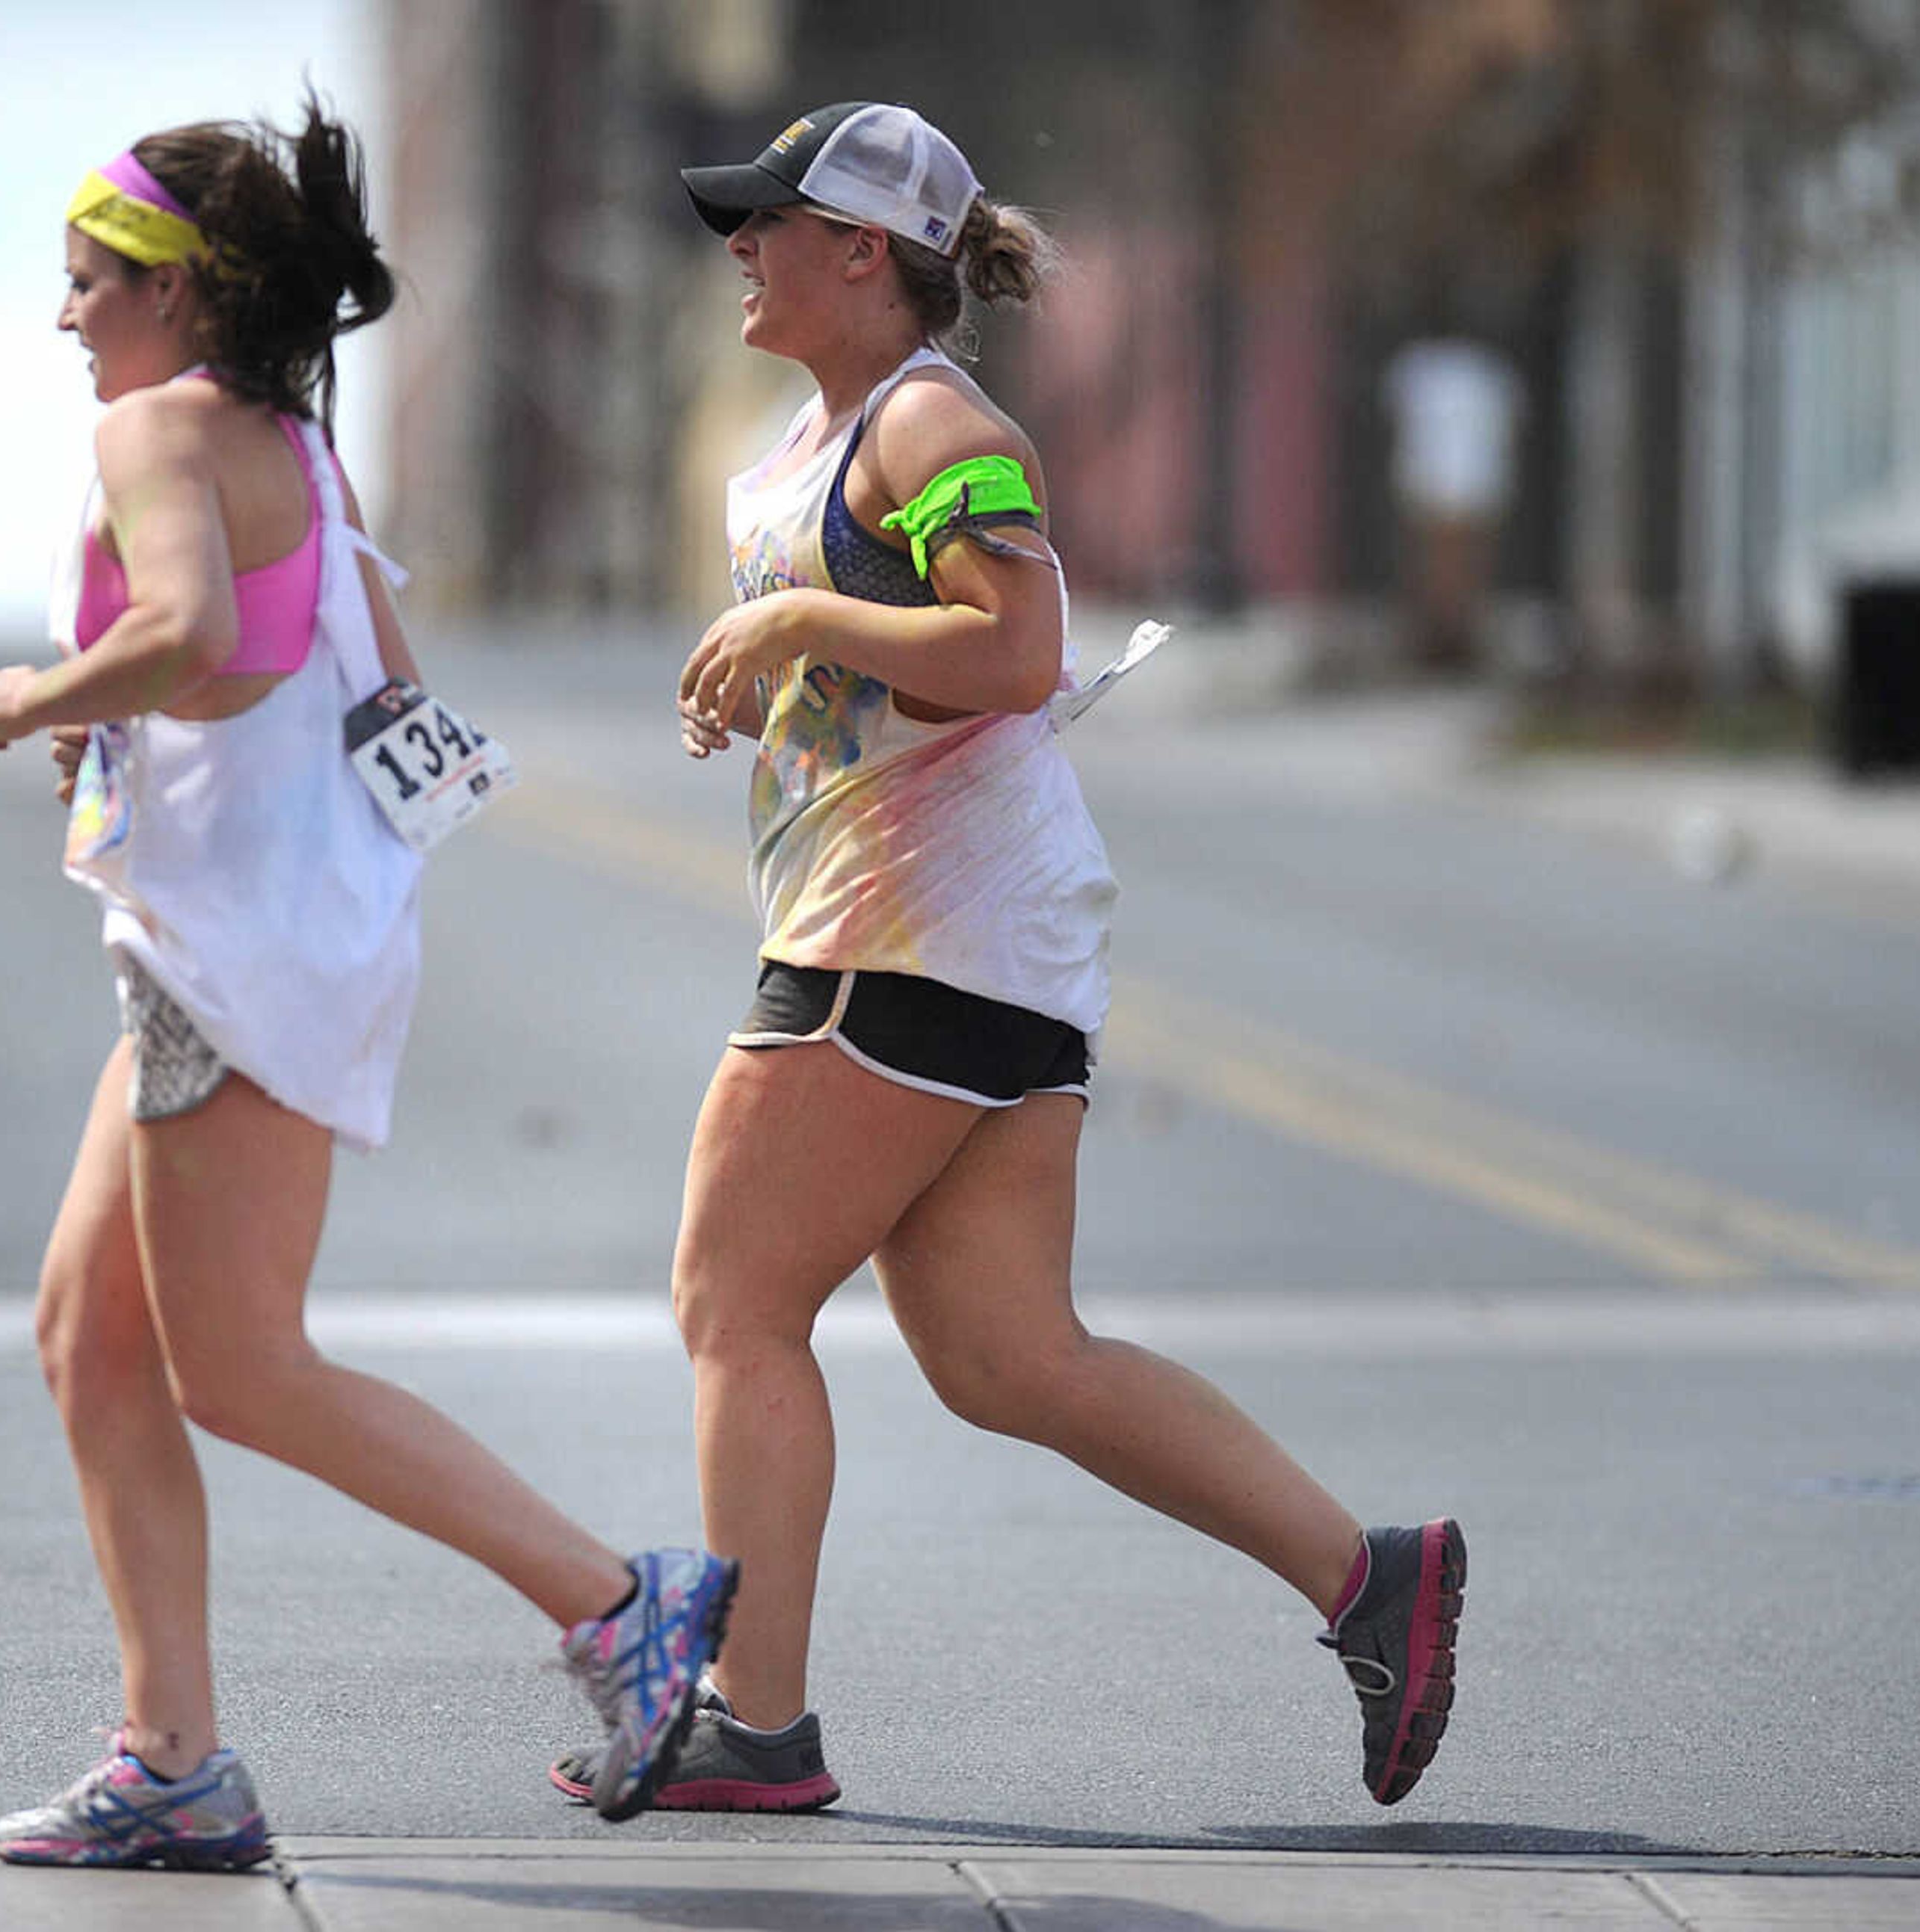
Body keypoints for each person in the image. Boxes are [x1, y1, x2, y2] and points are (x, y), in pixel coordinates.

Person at [546, 102, 1464, 1814]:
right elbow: (906, 666)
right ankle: (1370, 1578)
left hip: (910, 940)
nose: (738, 249)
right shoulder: (813, 441)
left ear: (861, 254)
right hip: (976, 939)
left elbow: (1019, 646)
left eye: (768, 221)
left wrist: (800, 622)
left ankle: (755, 1726)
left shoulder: (933, 420)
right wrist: (782, 672)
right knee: (1004, 1359)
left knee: (731, 1301)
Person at [0, 104, 734, 1866]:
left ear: (178, 290)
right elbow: (367, 670)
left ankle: (617, 1603)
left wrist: (32, 695)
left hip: (234, 962)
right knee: (93, 1344)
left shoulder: (159, 432)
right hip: (273, 946)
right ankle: (173, 1760)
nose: (64, 318)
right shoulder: (297, 447)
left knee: (235, 1367)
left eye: (86, 282)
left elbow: (188, 636)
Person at [1381, 332, 1522, 673]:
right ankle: (1432, 639)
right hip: (1433, 484)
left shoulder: (1488, 371)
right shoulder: (1419, 366)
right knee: (1435, 564)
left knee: (1465, 565)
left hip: (1471, 484)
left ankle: (1462, 640)